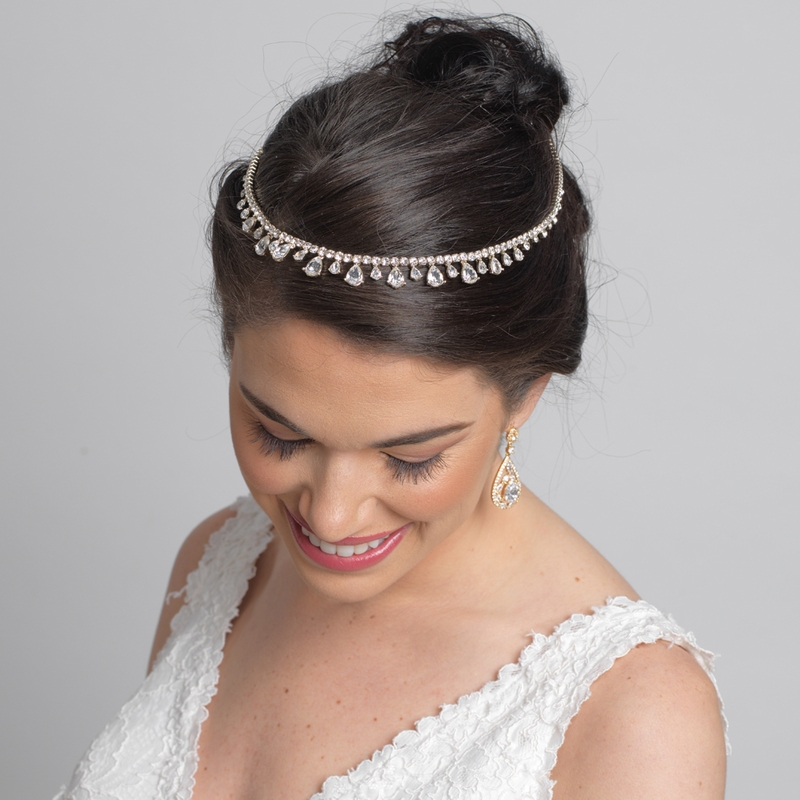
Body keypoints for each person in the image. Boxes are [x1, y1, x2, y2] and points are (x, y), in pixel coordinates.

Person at [55, 14, 728, 800]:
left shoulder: (631, 715)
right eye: (279, 434)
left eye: (410, 458)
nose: (331, 515)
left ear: (525, 398)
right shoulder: (219, 564)